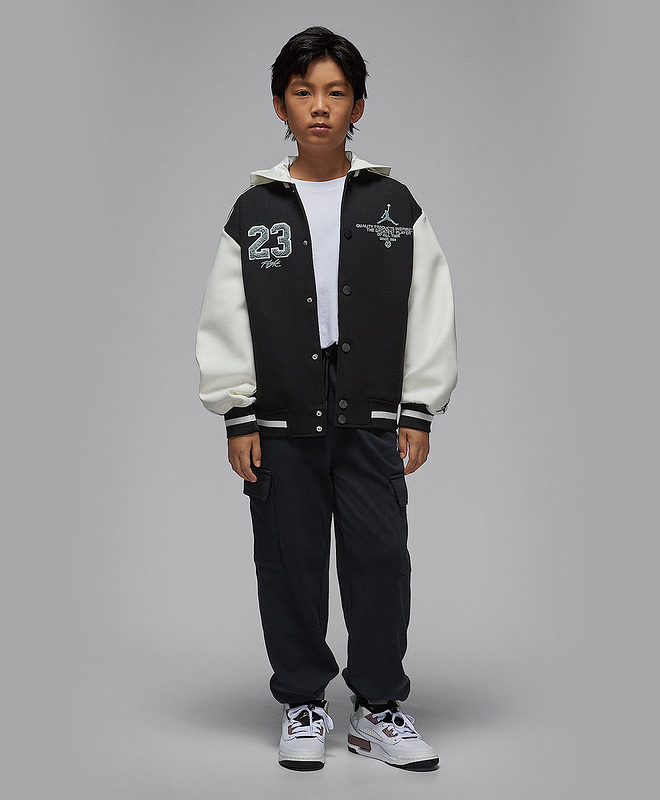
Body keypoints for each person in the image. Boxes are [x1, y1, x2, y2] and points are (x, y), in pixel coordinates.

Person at [195, 26, 458, 771]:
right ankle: (303, 701)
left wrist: (418, 406)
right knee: (289, 559)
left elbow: (430, 305)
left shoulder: (393, 204)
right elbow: (225, 315)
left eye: (335, 93)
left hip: (369, 405)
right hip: (281, 409)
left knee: (380, 556)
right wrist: (238, 412)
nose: (319, 107)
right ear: (280, 104)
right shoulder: (254, 211)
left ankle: (378, 708)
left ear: (358, 106)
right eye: (303, 92)